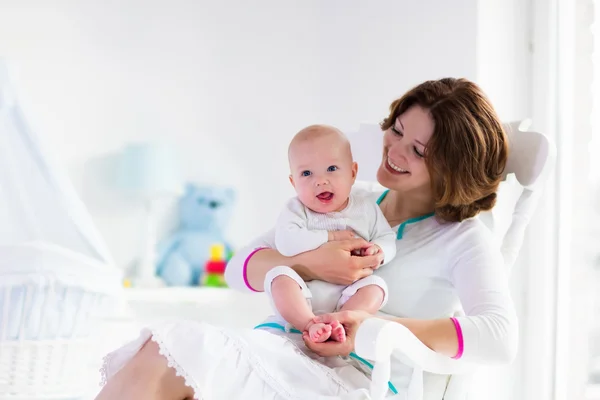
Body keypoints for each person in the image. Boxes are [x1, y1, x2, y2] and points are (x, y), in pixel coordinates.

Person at [95, 77, 518, 400]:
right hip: (287, 350)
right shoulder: (349, 199)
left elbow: (499, 337)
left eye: (419, 149)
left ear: (454, 166)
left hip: (356, 380)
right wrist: (311, 263)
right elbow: (238, 269)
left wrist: (373, 326)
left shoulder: (463, 240)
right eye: (397, 129)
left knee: (174, 354)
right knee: (164, 350)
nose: (395, 149)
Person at [267, 124, 396, 343]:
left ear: (353, 172)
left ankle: (342, 322)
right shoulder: (296, 209)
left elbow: (387, 237)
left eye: (332, 169)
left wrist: (379, 250)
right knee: (278, 276)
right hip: (304, 291)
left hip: (350, 291)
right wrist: (331, 237)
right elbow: (286, 242)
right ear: (293, 182)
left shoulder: (365, 208)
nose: (320, 180)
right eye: (306, 173)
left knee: (377, 288)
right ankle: (309, 323)